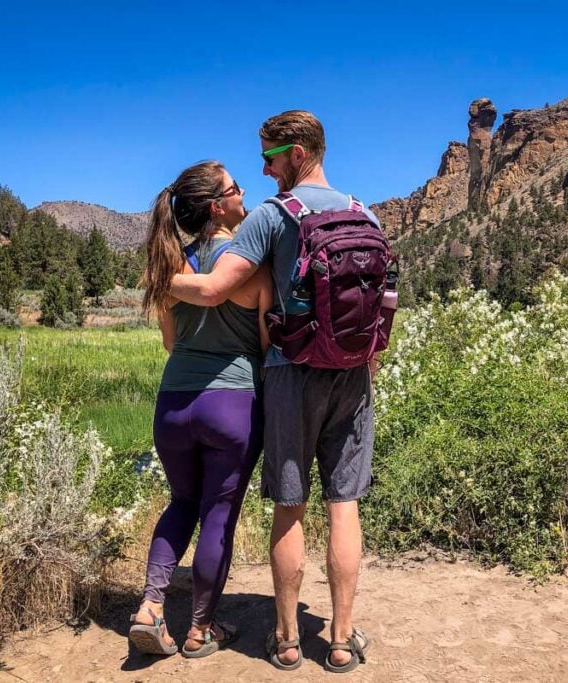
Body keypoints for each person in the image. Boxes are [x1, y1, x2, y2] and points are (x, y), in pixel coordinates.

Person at [169, 111, 377, 673]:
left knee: (291, 505)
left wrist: (157, 280)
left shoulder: (273, 216)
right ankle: (340, 638)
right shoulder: (366, 213)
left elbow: (213, 289)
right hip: (354, 376)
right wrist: (364, 368)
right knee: (344, 504)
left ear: (299, 151)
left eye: (270, 155)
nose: (263, 169)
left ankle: (285, 640)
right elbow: (385, 309)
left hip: (290, 372)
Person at [128, 161, 273, 659]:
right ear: (217, 206)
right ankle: (200, 631)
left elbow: (171, 342)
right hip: (232, 404)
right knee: (218, 515)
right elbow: (266, 344)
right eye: (236, 189)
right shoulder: (249, 264)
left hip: (173, 404)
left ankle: (149, 608)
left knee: (181, 502)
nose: (244, 193)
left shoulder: (171, 265)